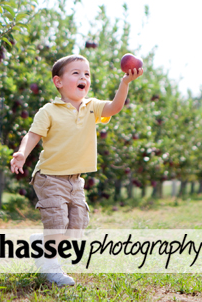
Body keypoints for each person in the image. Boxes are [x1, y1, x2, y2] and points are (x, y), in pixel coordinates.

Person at [9, 54, 142, 286]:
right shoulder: (49, 110)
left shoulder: (92, 107)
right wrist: (22, 153)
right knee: (57, 222)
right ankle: (51, 270)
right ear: (58, 82)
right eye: (76, 73)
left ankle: (40, 243)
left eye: (87, 74)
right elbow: (32, 135)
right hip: (49, 177)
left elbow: (114, 107)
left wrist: (125, 83)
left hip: (75, 180)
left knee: (76, 228)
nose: (83, 77)